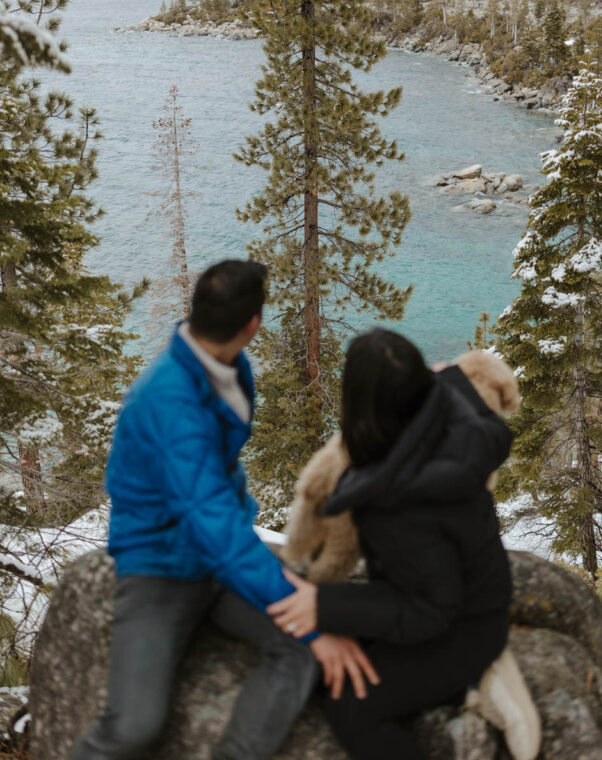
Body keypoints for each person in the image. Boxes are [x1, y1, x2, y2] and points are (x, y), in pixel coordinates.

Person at [70, 259, 378, 760]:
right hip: (159, 565)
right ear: (253, 323)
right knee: (132, 727)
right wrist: (313, 618)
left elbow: (219, 498)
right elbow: (209, 521)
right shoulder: (170, 401)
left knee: (299, 653)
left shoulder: (228, 366)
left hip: (221, 556)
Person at [268, 327, 513, 760]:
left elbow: (430, 610)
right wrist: (448, 376)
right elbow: (468, 398)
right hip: (471, 587)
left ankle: (468, 686)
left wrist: (323, 605)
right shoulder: (464, 427)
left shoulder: (397, 503)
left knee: (352, 707)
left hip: (463, 626)